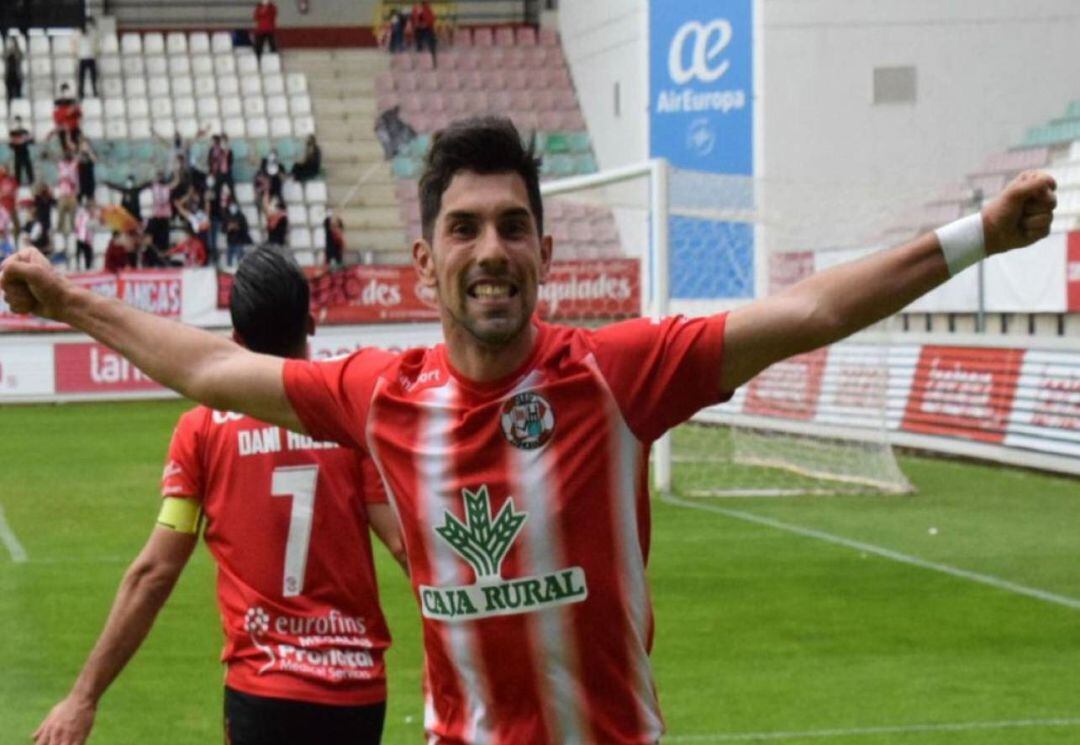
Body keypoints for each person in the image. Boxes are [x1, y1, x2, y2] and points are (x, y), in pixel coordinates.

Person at [1, 116, 1058, 744]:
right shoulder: (381, 394)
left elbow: (812, 311)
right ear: (427, 263)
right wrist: (68, 297)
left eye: (512, 225)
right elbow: (212, 366)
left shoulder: (618, 376)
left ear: (546, 252)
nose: (490, 247)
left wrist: (976, 235)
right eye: (463, 227)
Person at [30, 247, 405, 745]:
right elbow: (405, 546)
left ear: (235, 339)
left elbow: (155, 572)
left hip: (263, 691)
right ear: (310, 325)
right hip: (356, 692)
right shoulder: (349, 422)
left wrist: (83, 697)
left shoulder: (201, 431)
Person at [72, 18, 99, 99]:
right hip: (82, 58)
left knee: (93, 76)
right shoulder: (78, 33)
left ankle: (94, 91)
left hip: (91, 57)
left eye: (89, 24)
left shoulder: (93, 33)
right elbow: (74, 41)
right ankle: (81, 92)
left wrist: (96, 52)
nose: (88, 26)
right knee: (81, 77)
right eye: (86, 24)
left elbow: (96, 42)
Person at [224, 199, 253, 267]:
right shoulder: (227, 216)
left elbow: (246, 228)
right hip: (230, 242)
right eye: (231, 205)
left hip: (239, 241)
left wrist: (238, 227)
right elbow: (223, 229)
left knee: (240, 260)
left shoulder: (241, 216)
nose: (232, 207)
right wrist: (228, 228)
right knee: (229, 261)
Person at [9, 115, 34, 185]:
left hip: (25, 153)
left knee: (28, 168)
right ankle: (17, 183)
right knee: (18, 170)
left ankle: (31, 182)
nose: (17, 123)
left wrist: (26, 140)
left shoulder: (25, 131)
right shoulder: (12, 133)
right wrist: (16, 142)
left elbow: (31, 141)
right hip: (17, 154)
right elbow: (11, 144)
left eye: (19, 121)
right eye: (16, 121)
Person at [73, 196, 96, 270]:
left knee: (88, 254)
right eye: (92, 208)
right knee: (79, 252)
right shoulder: (82, 214)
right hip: (81, 237)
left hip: (88, 239)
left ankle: (88, 267)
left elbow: (93, 227)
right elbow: (78, 224)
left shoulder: (92, 216)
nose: (93, 209)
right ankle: (78, 266)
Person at [411, 1, 437, 66]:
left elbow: (432, 18)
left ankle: (434, 63)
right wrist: (417, 25)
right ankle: (417, 63)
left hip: (428, 29)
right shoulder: (415, 9)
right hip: (419, 30)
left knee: (431, 47)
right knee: (418, 47)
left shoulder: (427, 8)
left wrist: (426, 24)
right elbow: (413, 20)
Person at [4, 37, 23, 106]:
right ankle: (10, 106)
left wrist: (15, 50)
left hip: (16, 75)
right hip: (9, 75)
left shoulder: (18, 53)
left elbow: (19, 57)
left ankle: (18, 106)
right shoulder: (8, 53)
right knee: (10, 94)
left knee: (18, 93)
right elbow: (5, 56)